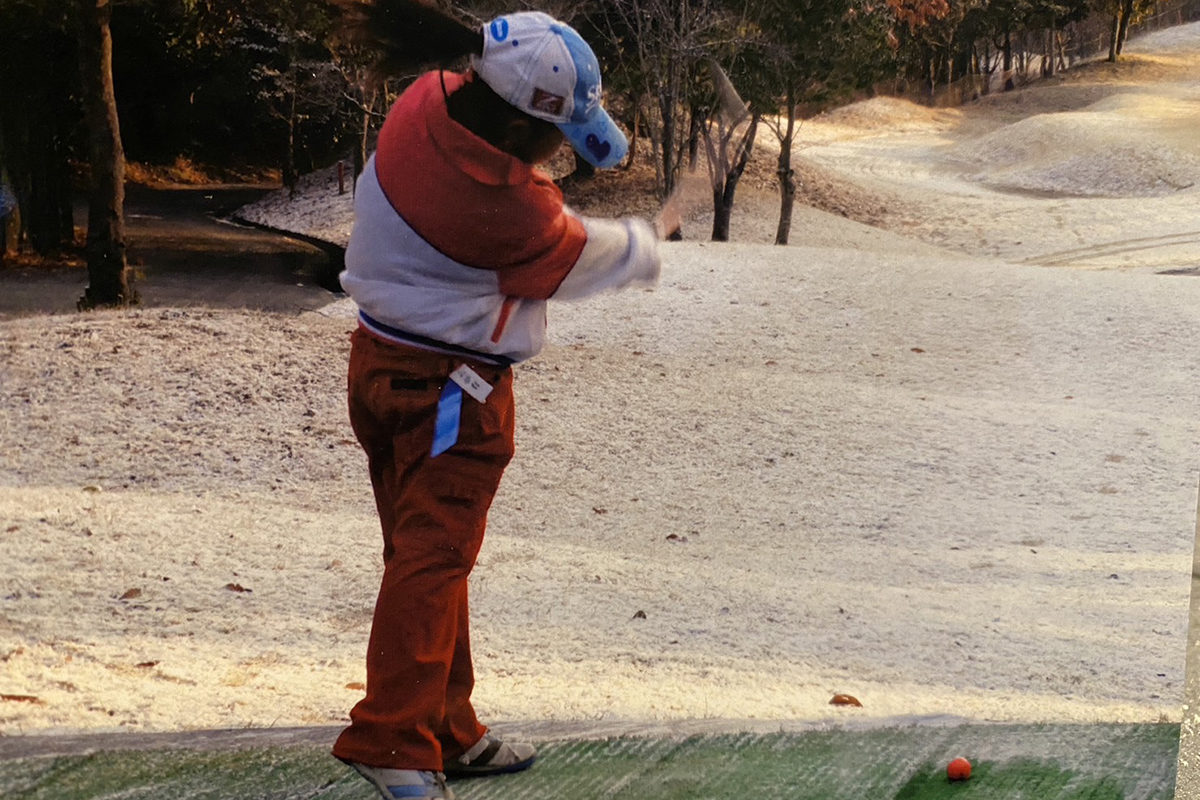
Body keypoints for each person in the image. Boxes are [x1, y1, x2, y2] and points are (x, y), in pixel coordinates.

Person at [330, 2, 663, 798]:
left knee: (427, 559)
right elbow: (577, 254)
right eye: (557, 138)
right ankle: (392, 740)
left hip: (378, 368)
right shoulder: (507, 208)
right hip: (448, 394)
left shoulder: (424, 101)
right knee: (433, 559)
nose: (561, 156)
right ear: (515, 133)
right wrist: (647, 245)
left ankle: (444, 726)